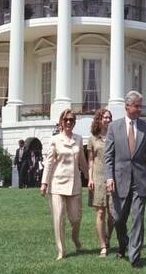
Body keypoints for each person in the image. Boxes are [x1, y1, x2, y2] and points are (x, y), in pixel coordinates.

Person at [105, 90, 146, 268]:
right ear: (127, 106)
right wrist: (109, 178)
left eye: (141, 105)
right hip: (119, 181)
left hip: (140, 182)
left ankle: (135, 256)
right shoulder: (113, 127)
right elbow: (108, 157)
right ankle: (123, 242)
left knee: (138, 219)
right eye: (137, 106)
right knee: (118, 219)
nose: (140, 109)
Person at [40, 109, 88, 261]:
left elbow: (82, 161)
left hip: (74, 184)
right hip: (57, 184)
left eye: (71, 120)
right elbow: (48, 163)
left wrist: (89, 177)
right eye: (66, 119)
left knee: (75, 218)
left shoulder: (79, 139)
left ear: (74, 123)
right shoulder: (54, 140)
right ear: (61, 122)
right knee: (58, 218)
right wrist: (44, 183)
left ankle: (75, 239)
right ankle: (61, 250)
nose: (68, 122)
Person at [87, 108, 114, 257]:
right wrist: (90, 178)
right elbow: (90, 160)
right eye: (105, 117)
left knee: (113, 215)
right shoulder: (92, 138)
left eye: (109, 118)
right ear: (99, 119)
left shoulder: (114, 136)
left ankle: (108, 236)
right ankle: (103, 245)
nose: (108, 120)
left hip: (111, 178)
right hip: (97, 177)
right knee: (100, 212)